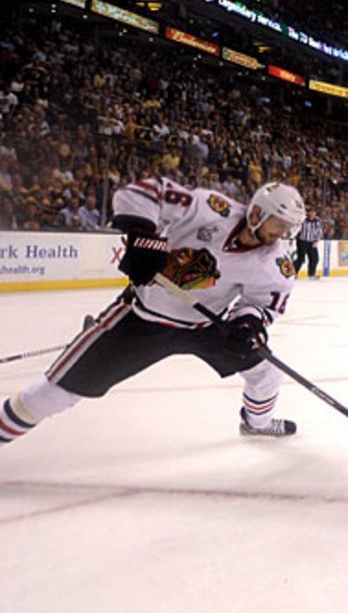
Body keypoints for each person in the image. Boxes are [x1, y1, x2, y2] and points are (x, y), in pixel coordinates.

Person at [0, 178, 306, 447]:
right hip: (142, 319)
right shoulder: (214, 209)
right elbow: (146, 192)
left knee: (267, 372)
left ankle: (257, 423)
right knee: (57, 392)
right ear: (256, 214)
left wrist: (247, 324)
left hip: (204, 327)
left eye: (288, 229)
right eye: (279, 225)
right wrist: (143, 234)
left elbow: (264, 302)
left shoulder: (276, 261)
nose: (282, 234)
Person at [294, 207, 324, 279]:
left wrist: (316, 241)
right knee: (300, 259)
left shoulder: (317, 221)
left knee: (315, 258)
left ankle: (311, 274)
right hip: (302, 241)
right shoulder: (303, 220)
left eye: (313, 212)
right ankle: (294, 273)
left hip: (312, 242)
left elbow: (319, 232)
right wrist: (293, 238)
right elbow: (296, 228)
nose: (312, 213)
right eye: (310, 212)